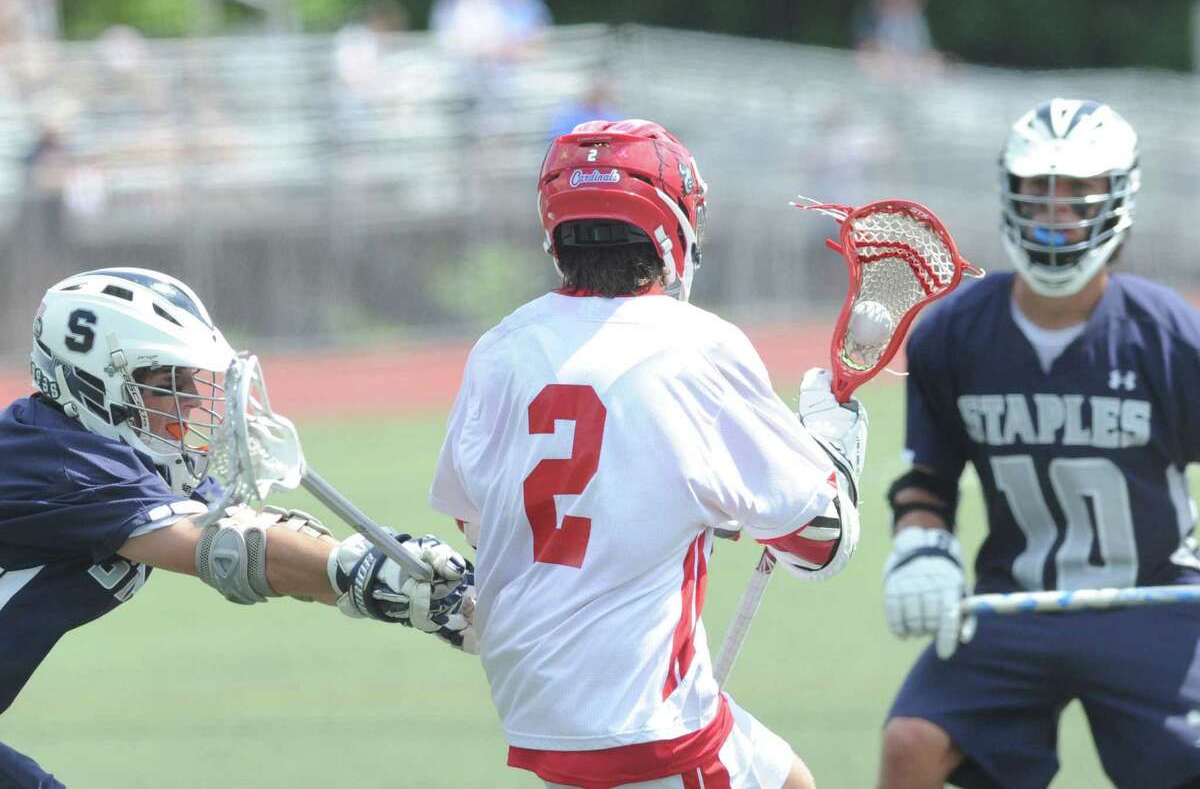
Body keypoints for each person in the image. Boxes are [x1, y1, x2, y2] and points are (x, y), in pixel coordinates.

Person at [428, 119, 868, 788]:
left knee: (788, 779)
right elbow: (818, 545)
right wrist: (834, 452)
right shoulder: (696, 345)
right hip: (644, 717)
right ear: (673, 223)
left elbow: (481, 522)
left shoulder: (501, 346)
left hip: (533, 700)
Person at [1, 267, 474, 788]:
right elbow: (227, 551)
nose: (193, 401)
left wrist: (394, 576)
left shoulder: (119, 455)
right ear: (90, 384)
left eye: (189, 381)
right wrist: (364, 575)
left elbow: (251, 527)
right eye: (164, 384)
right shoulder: (61, 461)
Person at [878, 98, 1200, 789]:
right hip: (1016, 600)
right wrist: (921, 547)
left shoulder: (1168, 335)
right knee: (911, 743)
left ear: (1117, 197)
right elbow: (927, 480)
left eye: (1077, 191)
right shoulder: (953, 333)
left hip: (1153, 598)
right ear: (1011, 193)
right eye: (1039, 190)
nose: (1056, 210)